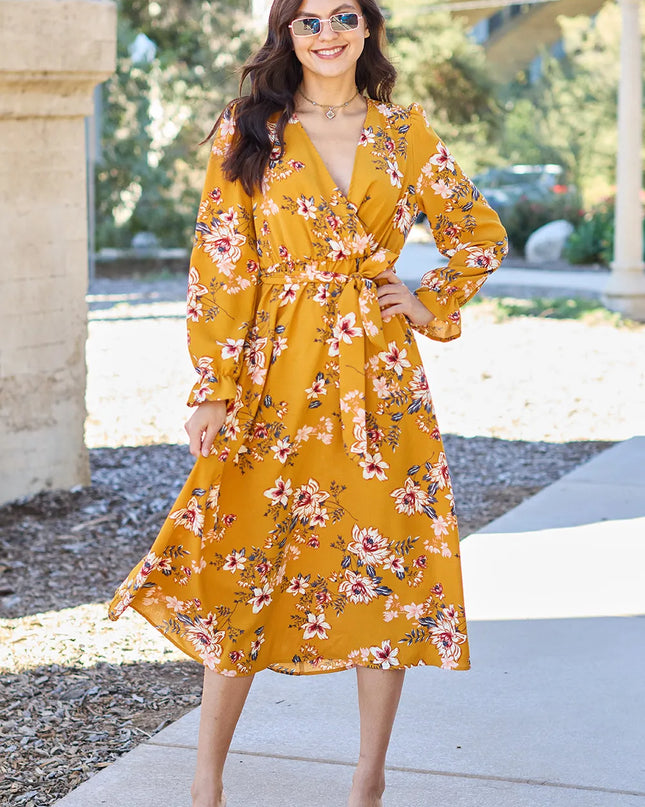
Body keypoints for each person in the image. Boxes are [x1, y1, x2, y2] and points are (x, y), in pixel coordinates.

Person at [109, 1, 508, 805]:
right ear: (285, 36)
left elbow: (477, 233)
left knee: (383, 564)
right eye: (307, 21)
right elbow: (220, 264)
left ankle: (367, 781)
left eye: (343, 16)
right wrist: (213, 388)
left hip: (378, 383)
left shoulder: (406, 134)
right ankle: (206, 780)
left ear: (367, 30)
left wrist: (426, 303)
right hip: (273, 377)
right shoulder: (249, 128)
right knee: (243, 558)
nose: (326, 33)